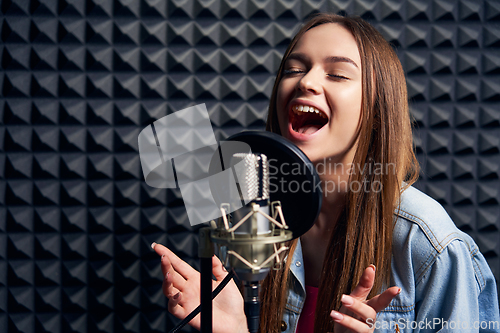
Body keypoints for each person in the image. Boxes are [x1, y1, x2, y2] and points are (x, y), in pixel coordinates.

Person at [152, 13, 500, 333]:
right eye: (293, 69)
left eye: (337, 74)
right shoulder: (252, 215)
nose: (306, 81)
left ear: (376, 111)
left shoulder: (428, 244)